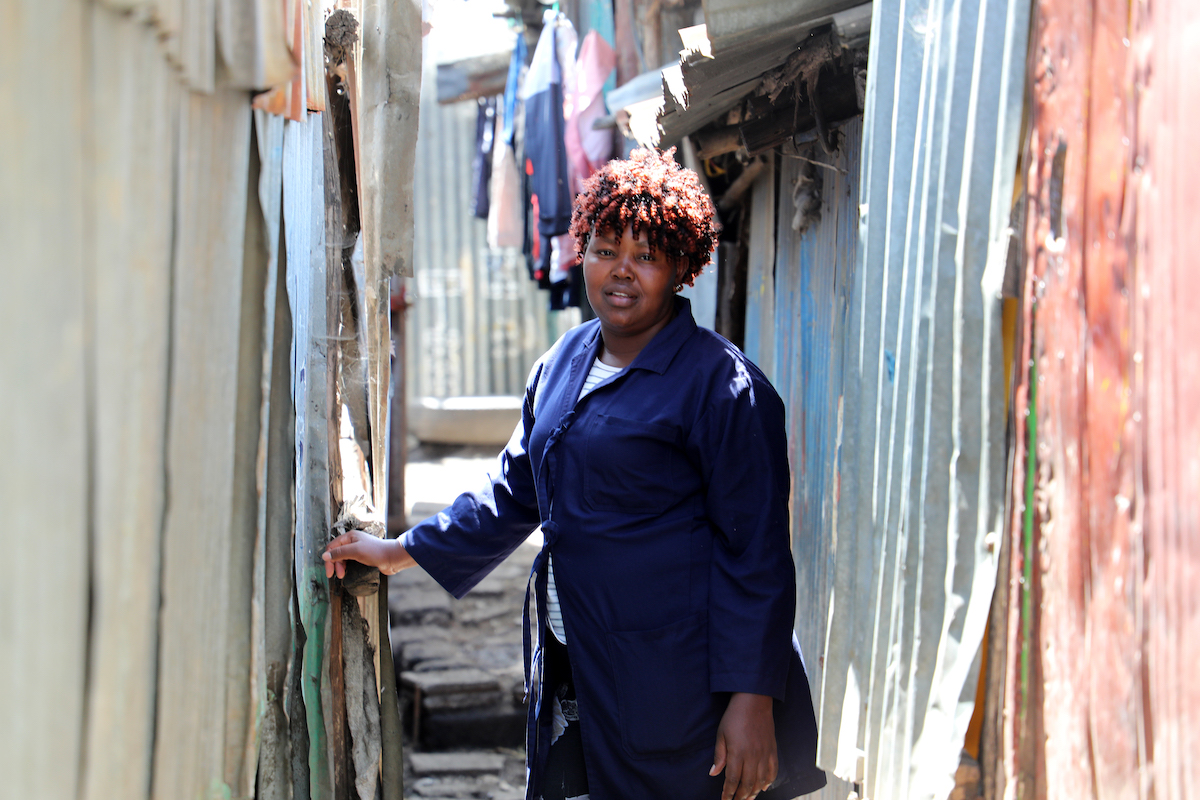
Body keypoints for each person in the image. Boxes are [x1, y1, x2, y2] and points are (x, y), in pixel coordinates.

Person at [324, 148, 825, 800]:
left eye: (646, 256)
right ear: (580, 252)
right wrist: (399, 551)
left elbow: (756, 557)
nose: (621, 271)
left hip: (676, 675)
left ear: (681, 266)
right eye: (604, 248)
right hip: (575, 658)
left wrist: (752, 699)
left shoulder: (723, 388)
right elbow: (515, 491)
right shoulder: (562, 362)